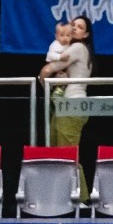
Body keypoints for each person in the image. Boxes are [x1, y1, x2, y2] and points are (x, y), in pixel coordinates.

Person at [42, 19, 94, 148]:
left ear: (86, 34)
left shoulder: (78, 47)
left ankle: (77, 170)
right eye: (73, 25)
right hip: (66, 104)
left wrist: (42, 81)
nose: (75, 28)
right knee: (56, 153)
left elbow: (47, 70)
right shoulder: (76, 49)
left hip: (72, 103)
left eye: (80, 27)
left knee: (67, 155)